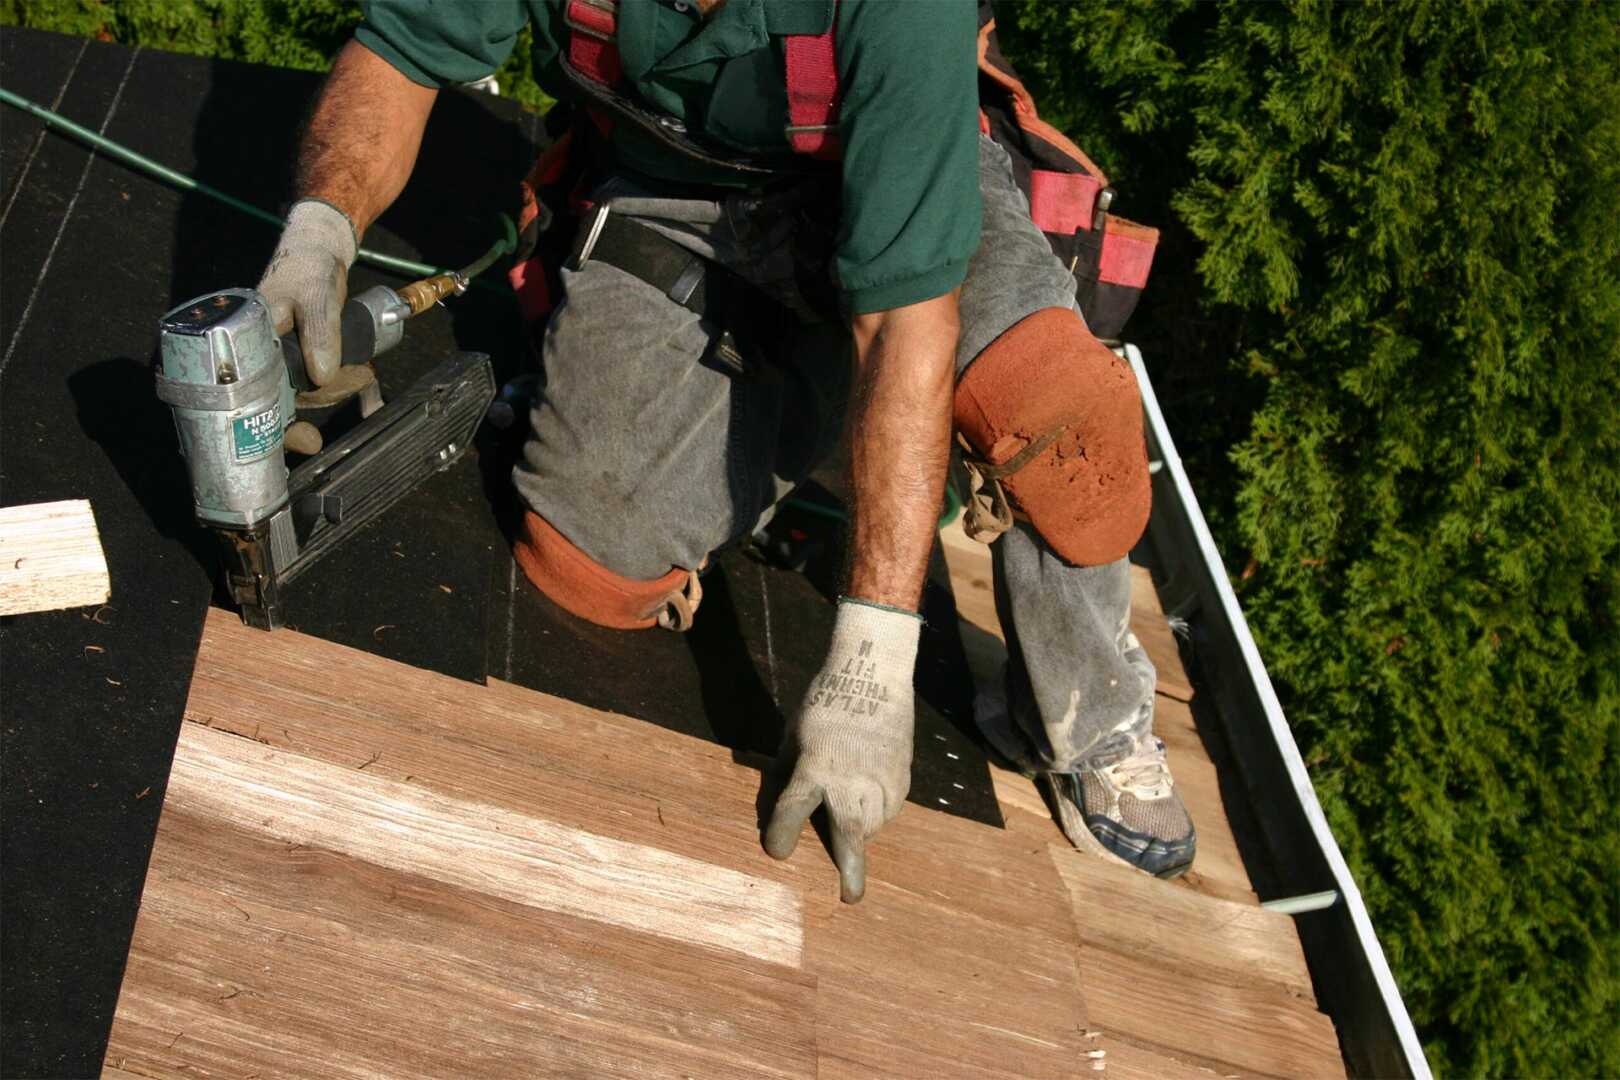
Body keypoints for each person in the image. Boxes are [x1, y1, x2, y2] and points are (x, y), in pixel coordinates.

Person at [257, 0, 1195, 904]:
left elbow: (907, 323)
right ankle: (810, 411)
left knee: (1063, 424)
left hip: (903, 190)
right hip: (680, 199)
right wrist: (321, 229)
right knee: (590, 565)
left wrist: (873, 660)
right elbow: (403, 48)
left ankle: (1093, 726)